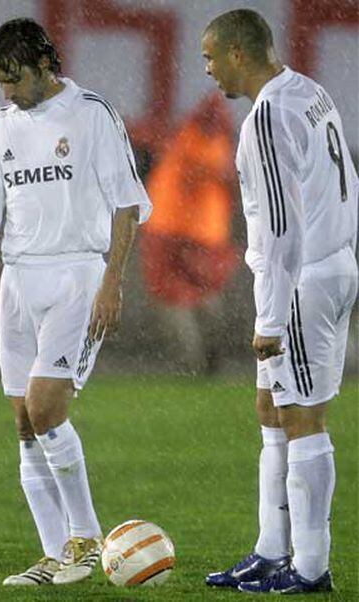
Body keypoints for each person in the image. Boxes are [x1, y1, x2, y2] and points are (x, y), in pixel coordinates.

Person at [0, 18, 151, 587]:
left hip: (77, 275)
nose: (7, 93)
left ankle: (86, 540)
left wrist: (113, 280)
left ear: (44, 65)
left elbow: (125, 205)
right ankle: (53, 552)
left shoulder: (91, 113)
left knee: (44, 408)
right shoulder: (0, 128)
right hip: (19, 280)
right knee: (22, 422)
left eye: (14, 80)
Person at [201, 9, 358, 595]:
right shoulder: (310, 91)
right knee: (273, 411)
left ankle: (311, 567)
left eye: (212, 57)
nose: (209, 70)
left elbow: (282, 225)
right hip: (333, 265)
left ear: (239, 53)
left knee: (303, 421)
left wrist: (271, 315)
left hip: (301, 281)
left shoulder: (267, 115)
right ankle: (271, 550)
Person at [141, 92, 239, 373]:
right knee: (202, 294)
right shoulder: (216, 145)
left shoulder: (186, 139)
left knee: (173, 297)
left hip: (171, 231)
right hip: (204, 235)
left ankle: (194, 362)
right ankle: (208, 356)